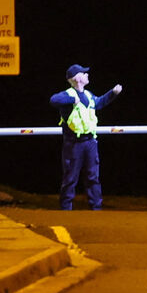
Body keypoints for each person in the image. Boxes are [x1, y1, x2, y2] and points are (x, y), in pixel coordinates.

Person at [49, 64, 122, 210]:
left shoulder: (88, 95)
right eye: (84, 73)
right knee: (70, 178)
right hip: (74, 143)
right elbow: (53, 100)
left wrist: (112, 93)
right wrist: (72, 100)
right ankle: (65, 209)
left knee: (93, 177)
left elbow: (100, 102)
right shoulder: (68, 95)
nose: (87, 75)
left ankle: (96, 208)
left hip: (90, 142)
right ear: (77, 78)